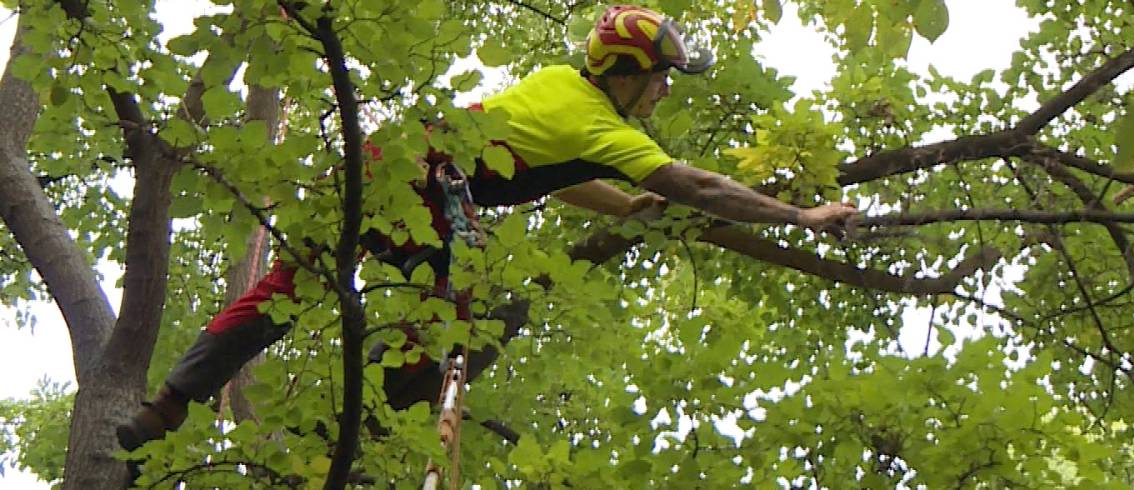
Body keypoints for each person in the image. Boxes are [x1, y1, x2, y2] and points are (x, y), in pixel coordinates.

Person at [116, 4, 858, 451]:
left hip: (388, 161)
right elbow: (695, 184)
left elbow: (548, 168)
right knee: (451, 304)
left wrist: (624, 206)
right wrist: (800, 215)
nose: (664, 90)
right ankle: (364, 419)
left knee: (288, 286)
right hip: (429, 182)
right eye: (660, 76)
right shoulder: (605, 126)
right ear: (628, 73)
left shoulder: (563, 93)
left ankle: (173, 397)